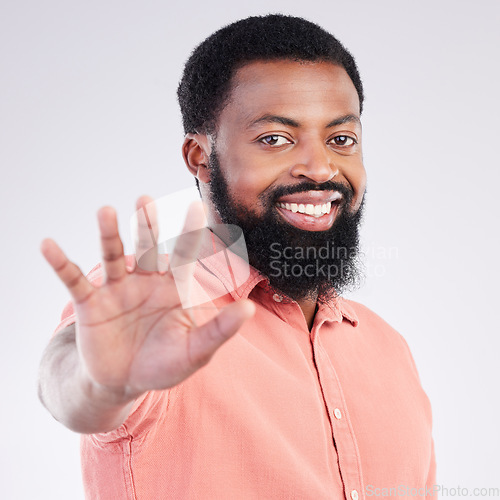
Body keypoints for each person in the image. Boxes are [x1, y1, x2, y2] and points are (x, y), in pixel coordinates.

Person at [38, 14, 436, 500]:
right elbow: (73, 387)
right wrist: (104, 381)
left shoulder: (389, 350)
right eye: (274, 138)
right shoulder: (153, 308)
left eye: (341, 139)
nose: (320, 167)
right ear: (199, 157)